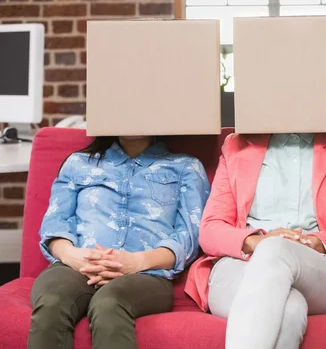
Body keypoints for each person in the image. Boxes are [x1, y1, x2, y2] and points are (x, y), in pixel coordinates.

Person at [185, 132, 326, 349]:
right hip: (239, 266)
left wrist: (307, 242)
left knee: (277, 249)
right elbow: (211, 229)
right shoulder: (236, 146)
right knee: (290, 310)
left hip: (316, 266)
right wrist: (256, 241)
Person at [28, 136, 210, 349]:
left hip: (146, 275)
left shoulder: (186, 167)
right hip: (75, 266)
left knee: (108, 304)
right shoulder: (78, 163)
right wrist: (71, 255)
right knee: (51, 300)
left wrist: (137, 262)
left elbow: (190, 236)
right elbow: (54, 223)